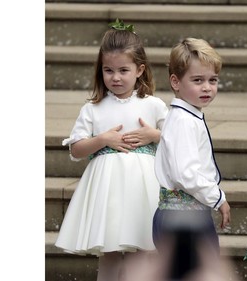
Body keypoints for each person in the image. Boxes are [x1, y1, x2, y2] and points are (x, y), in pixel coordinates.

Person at [55, 19, 169, 281]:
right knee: (110, 250)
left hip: (143, 187)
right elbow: (76, 149)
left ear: (139, 70)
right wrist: (103, 139)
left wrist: (154, 135)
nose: (115, 77)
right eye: (108, 70)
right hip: (107, 191)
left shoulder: (153, 105)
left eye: (123, 70)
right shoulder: (93, 108)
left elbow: (177, 140)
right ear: (100, 70)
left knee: (142, 247)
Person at [152, 38, 231, 280]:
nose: (207, 87)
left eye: (212, 80)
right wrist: (217, 198)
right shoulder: (184, 121)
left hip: (184, 214)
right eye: (198, 81)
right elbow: (186, 173)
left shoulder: (187, 116)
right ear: (175, 82)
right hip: (184, 218)